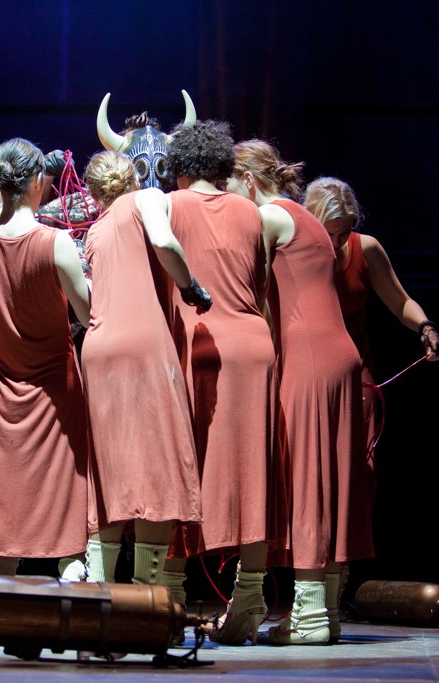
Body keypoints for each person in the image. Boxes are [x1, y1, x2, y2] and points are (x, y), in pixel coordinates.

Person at [227, 139, 373, 645]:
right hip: (337, 354)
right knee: (330, 479)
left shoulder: (268, 217)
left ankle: (309, 617)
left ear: (248, 180)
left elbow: (251, 294)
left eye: (229, 185)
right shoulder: (303, 216)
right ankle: (324, 610)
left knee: (307, 478)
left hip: (309, 356)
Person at [302, 175, 439, 632]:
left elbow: (399, 300)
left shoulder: (366, 249)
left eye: (345, 230)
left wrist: (424, 327)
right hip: (305, 374)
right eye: (330, 231)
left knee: (354, 479)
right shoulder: (293, 248)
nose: (337, 241)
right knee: (306, 479)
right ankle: (300, 586)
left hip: (355, 377)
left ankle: (335, 587)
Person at [159, 120, 277, 646]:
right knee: (253, 473)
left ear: (180, 168)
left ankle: (168, 594)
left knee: (183, 468)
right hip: (253, 347)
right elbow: (260, 282)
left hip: (196, 343)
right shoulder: (251, 212)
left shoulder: (168, 206)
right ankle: (249, 596)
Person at [78, 150, 211, 590]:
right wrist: (190, 286)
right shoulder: (147, 198)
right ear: (134, 176)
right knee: (155, 464)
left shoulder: (95, 229)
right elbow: (165, 243)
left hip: (99, 347)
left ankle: (98, 591)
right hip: (142, 343)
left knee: (108, 470)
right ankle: (146, 594)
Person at [0, 137, 93, 576]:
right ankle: (71, 579)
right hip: (56, 390)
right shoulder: (56, 242)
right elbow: (87, 313)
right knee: (64, 502)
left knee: (0, 503)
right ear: (39, 182)